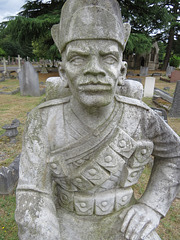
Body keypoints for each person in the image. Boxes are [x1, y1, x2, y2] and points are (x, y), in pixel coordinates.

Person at [15, 0, 180, 240]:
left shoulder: (140, 116)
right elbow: (34, 193)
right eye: (79, 59)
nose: (95, 70)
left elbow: (174, 154)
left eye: (109, 59)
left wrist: (151, 206)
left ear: (121, 72)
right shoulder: (43, 120)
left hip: (124, 223)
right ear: (63, 72)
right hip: (64, 222)